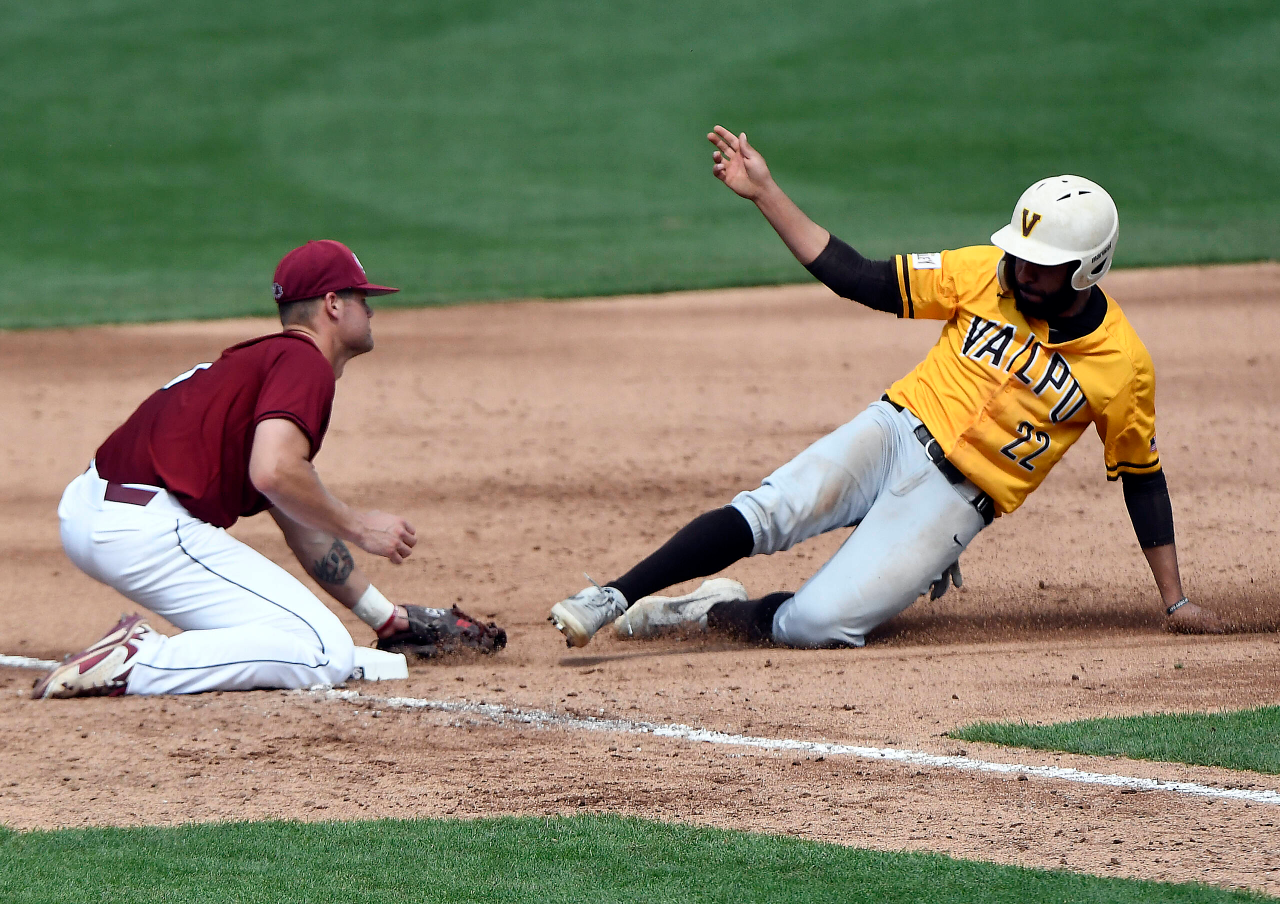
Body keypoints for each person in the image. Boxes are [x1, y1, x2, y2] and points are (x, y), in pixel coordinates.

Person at [548, 126, 1225, 649]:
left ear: (1087, 270)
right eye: (1019, 255)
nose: (1022, 272)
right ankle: (613, 596)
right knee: (771, 509)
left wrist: (1175, 602)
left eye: (1043, 266)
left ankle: (706, 610)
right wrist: (765, 192)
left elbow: (1142, 476)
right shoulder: (983, 272)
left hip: (955, 502)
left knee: (814, 626)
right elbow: (863, 279)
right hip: (894, 428)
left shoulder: (1122, 365)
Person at [35, 240, 422, 698]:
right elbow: (274, 472)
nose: (371, 313)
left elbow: (297, 516)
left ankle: (154, 658)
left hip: (99, 516)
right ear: (332, 304)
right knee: (326, 653)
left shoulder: (264, 363)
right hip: (145, 529)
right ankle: (140, 660)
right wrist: (362, 527)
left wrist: (386, 618)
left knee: (300, 642)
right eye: (363, 300)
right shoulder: (303, 363)